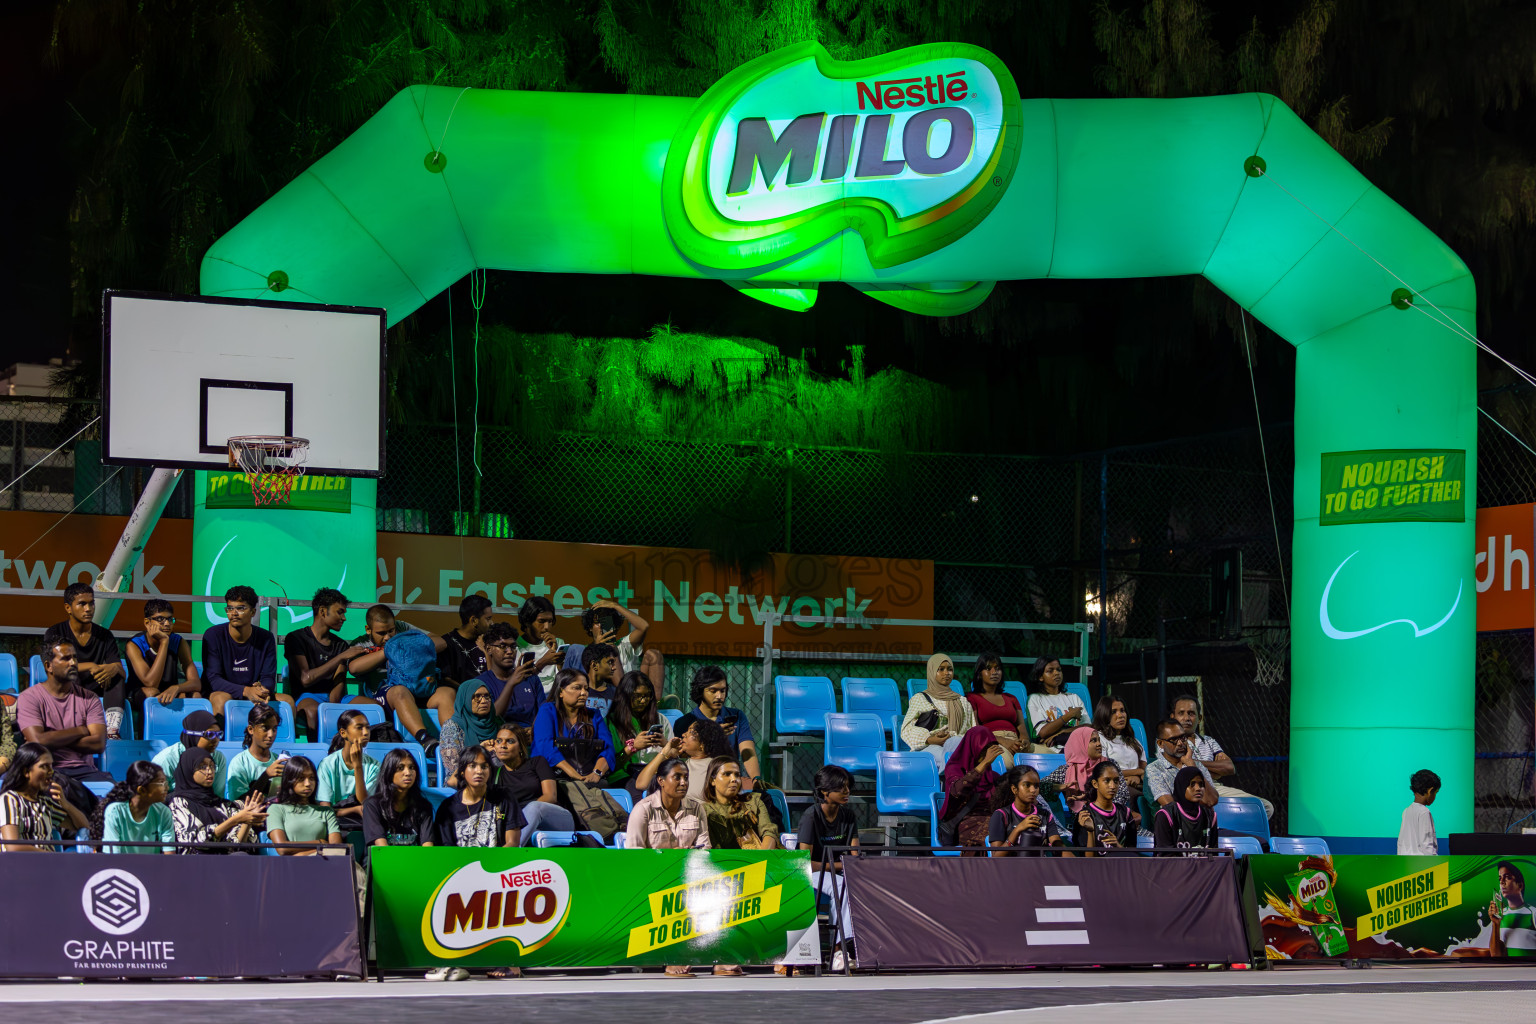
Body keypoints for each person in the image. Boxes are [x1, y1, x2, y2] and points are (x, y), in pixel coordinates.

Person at [17, 639, 111, 813]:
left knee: (119, 799)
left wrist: (50, 737)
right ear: (49, 666)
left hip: (84, 770)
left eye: (75, 658)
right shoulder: (29, 698)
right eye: (66, 658)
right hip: (48, 770)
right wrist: (81, 730)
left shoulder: (90, 698)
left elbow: (98, 744)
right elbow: (38, 742)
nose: (73, 663)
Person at [795, 765, 858, 972]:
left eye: (848, 787)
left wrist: (841, 865)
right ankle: (841, 950)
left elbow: (855, 859)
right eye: (841, 788)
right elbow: (805, 862)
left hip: (839, 873)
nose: (847, 792)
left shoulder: (849, 817)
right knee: (841, 886)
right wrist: (839, 864)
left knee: (855, 884)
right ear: (824, 791)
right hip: (810, 875)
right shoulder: (810, 817)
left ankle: (857, 947)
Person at [43, 582, 126, 738]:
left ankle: (112, 731)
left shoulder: (105, 635)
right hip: (69, 688)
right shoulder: (55, 632)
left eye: (91, 603)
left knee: (116, 676)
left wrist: (113, 668)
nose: (88, 609)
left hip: (98, 686)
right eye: (82, 604)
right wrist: (91, 665)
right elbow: (54, 668)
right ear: (68, 608)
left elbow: (121, 670)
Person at [202, 585, 294, 723]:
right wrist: (246, 691)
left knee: (288, 701)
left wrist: (263, 690)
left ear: (253, 612)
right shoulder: (213, 635)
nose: (233, 613)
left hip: (253, 692)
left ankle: (281, 744)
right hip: (224, 692)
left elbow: (268, 677)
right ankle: (220, 743)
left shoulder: (266, 638)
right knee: (221, 699)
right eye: (230, 608)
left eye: (240, 608)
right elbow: (214, 680)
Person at [1170, 693, 1272, 818]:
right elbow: (1181, 770)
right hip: (1187, 789)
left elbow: (1229, 767)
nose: (1186, 718)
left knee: (1264, 806)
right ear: (1173, 717)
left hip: (1215, 787)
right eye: (1181, 713)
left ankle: (1233, 835)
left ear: (1199, 718)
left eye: (1191, 713)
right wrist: (1214, 770)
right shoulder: (1167, 741)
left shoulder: (1209, 741)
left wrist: (1192, 762)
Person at [284, 588, 366, 740]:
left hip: (336, 698)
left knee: (374, 707)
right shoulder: (295, 638)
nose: (344, 618)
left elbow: (338, 686)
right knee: (314, 711)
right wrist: (340, 658)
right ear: (322, 612)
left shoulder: (340, 645)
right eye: (340, 612)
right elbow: (305, 679)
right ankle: (316, 756)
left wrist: (334, 708)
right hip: (305, 696)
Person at [674, 666, 763, 792]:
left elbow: (747, 751)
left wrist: (756, 779)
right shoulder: (685, 723)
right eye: (713, 691)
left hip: (730, 782)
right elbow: (683, 757)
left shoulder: (737, 716)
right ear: (701, 691)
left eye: (723, 690)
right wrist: (715, 734)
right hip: (698, 783)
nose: (720, 696)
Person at [168, 746, 266, 853]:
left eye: (212, 766)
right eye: (202, 767)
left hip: (226, 864)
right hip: (196, 865)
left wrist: (247, 822)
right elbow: (194, 842)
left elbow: (236, 847)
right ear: (188, 770)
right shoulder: (179, 803)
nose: (209, 771)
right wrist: (235, 820)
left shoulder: (223, 805)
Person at [487, 724, 575, 842]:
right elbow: (454, 780)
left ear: (521, 747)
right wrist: (481, 749)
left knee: (533, 808)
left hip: (555, 819)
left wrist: (521, 815)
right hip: (524, 827)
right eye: (499, 741)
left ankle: (511, 852)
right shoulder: (496, 773)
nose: (503, 745)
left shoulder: (537, 762)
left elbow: (551, 796)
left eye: (510, 741)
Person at [124, 598, 201, 733]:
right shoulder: (134, 645)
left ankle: (193, 742)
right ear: (147, 623)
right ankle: (148, 741)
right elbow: (150, 682)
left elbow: (196, 682)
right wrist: (164, 643)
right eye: (160, 619)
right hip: (139, 694)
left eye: (170, 619)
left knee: (195, 696)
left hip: (169, 691)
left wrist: (176, 688)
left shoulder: (178, 641)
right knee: (151, 693)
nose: (167, 624)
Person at [532, 669, 615, 790]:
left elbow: (608, 748)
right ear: (561, 691)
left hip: (588, 776)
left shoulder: (594, 715)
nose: (584, 693)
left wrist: (597, 773)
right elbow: (545, 747)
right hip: (552, 777)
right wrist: (573, 774)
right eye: (577, 688)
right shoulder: (548, 710)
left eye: (586, 688)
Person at [0, 742, 88, 852]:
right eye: (44, 766)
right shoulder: (9, 800)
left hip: (47, 866)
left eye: (51, 766)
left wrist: (66, 804)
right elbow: (12, 847)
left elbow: (83, 826)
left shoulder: (46, 803)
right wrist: (50, 857)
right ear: (26, 772)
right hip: (19, 867)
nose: (51, 772)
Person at [937, 726, 1006, 851]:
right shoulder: (955, 768)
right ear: (973, 747)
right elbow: (956, 792)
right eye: (984, 750)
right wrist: (983, 764)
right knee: (991, 837)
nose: (988, 756)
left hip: (992, 818)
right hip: (966, 820)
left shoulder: (992, 775)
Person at [900, 652, 974, 769]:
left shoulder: (962, 701)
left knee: (955, 744)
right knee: (948, 757)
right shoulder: (920, 699)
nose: (946, 673)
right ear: (932, 671)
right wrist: (929, 739)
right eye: (941, 669)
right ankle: (953, 781)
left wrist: (951, 737)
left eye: (949, 669)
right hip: (929, 746)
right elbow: (907, 729)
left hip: (957, 745)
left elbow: (971, 729)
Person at [607, 671, 672, 795]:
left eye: (647, 696)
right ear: (625, 696)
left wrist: (665, 745)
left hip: (656, 774)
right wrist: (632, 748)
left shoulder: (661, 719)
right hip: (625, 776)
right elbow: (611, 766)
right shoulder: (612, 722)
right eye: (637, 696)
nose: (643, 701)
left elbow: (674, 756)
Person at [316, 709, 381, 829]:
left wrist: (358, 767)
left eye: (367, 727)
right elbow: (325, 810)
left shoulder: (374, 766)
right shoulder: (327, 764)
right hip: (333, 823)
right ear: (343, 733)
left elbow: (365, 804)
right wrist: (354, 810)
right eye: (359, 727)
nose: (366, 732)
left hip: (363, 822)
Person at [987, 764, 1070, 856]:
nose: (1033, 790)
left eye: (1036, 786)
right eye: (1027, 785)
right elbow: (996, 856)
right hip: (1010, 868)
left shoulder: (1045, 815)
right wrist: (1018, 829)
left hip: (1039, 867)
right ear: (1014, 789)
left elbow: (1057, 844)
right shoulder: (1001, 815)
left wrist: (1077, 863)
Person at [93, 759, 174, 854]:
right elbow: (112, 858)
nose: (167, 788)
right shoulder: (115, 812)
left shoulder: (164, 812)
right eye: (161, 783)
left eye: (166, 783)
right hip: (121, 867)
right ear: (142, 790)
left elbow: (169, 856)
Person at [643, 718, 732, 803]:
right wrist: (666, 751)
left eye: (691, 732)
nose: (683, 734)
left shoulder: (717, 769)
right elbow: (642, 783)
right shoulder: (680, 764)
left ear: (703, 743)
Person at [267, 755, 343, 855]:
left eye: (311, 778)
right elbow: (282, 848)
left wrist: (301, 854)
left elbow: (337, 850)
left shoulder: (326, 811)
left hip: (323, 864)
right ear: (289, 780)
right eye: (301, 778)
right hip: (291, 867)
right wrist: (319, 843)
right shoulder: (276, 809)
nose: (308, 783)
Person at [364, 747, 436, 848]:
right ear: (389, 772)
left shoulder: (423, 807)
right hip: (384, 862)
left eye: (411, 767)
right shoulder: (372, 805)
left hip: (414, 863)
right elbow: (382, 849)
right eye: (400, 768)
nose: (408, 773)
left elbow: (428, 849)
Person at [702, 756, 779, 850]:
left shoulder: (753, 801)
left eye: (737, 775)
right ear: (712, 781)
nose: (734, 779)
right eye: (727, 774)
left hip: (757, 859)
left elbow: (769, 832)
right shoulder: (704, 810)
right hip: (722, 862)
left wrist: (762, 859)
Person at [965, 651, 1027, 764]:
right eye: (988, 669)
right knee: (1007, 763)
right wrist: (1003, 741)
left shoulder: (1011, 698)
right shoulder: (972, 698)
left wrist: (1024, 742)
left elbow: (1021, 727)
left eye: (997, 668)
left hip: (1016, 742)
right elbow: (976, 729)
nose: (994, 672)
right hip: (991, 741)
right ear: (979, 673)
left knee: (1051, 756)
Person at [477, 622, 543, 728]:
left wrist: (534, 730)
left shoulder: (531, 679)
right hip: (500, 738)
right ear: (489, 649)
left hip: (531, 736)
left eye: (513, 646)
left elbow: (543, 714)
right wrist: (511, 683)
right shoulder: (481, 683)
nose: (509, 651)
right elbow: (492, 719)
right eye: (503, 646)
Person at [439, 679, 502, 788]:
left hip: (498, 784)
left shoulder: (498, 723)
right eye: (477, 697)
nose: (483, 701)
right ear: (465, 699)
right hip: (462, 787)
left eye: (487, 696)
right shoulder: (452, 727)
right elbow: (452, 773)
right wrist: (479, 752)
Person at [151, 709, 229, 796]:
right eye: (210, 735)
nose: (216, 740)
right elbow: (155, 802)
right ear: (193, 735)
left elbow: (217, 795)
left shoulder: (218, 758)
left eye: (219, 734)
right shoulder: (166, 760)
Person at [1146, 718, 1218, 810]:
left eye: (1183, 738)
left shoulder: (1196, 765)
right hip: (1176, 823)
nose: (1180, 743)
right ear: (1160, 743)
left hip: (1202, 821)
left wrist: (1192, 766)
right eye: (1173, 739)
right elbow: (1171, 808)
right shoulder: (1154, 769)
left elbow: (1211, 800)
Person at [225, 702, 287, 800]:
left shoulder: (278, 761)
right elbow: (237, 803)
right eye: (265, 728)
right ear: (251, 729)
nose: (271, 734)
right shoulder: (239, 763)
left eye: (274, 729)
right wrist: (266, 775)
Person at [1071, 761, 1135, 855]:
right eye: (1107, 781)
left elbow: (1133, 856)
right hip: (1096, 869)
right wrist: (1090, 831)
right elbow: (1086, 861)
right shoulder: (1085, 815)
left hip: (1122, 867)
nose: (1112, 786)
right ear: (1095, 784)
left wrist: (1118, 847)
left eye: (1116, 781)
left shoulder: (1126, 813)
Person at [1152, 765, 1218, 855]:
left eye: (1201, 784)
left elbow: (1214, 856)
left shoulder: (1210, 816)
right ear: (1182, 786)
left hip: (1203, 868)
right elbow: (1165, 857)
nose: (1198, 788)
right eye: (1192, 784)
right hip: (1172, 868)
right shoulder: (1165, 815)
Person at [1093, 695, 1145, 805]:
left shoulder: (1135, 742)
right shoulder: (1099, 739)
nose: (1120, 715)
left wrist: (1137, 776)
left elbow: (1145, 770)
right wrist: (1137, 772)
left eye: (1122, 711)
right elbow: (1103, 772)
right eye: (1114, 712)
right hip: (1113, 787)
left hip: (1137, 785)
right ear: (1104, 715)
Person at [1025, 656, 1084, 750]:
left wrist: (1061, 732)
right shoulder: (1035, 699)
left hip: (1077, 745)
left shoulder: (1073, 697)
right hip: (1051, 748)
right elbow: (1043, 732)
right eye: (1050, 671)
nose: (1056, 673)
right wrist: (1069, 715)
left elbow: (1088, 727)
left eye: (1058, 670)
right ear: (1040, 677)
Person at [581, 598, 651, 676]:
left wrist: (615, 606)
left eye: (606, 623)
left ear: (614, 626)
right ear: (590, 627)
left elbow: (644, 626)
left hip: (625, 687)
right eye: (597, 623)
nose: (601, 626)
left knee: (654, 654)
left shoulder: (623, 645)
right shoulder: (584, 651)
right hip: (603, 687)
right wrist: (597, 647)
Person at [344, 604, 397, 703]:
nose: (387, 637)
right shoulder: (360, 643)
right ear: (368, 629)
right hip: (375, 696)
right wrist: (388, 651)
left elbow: (432, 641)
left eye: (391, 631)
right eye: (381, 633)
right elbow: (353, 668)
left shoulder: (401, 628)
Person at [440, 594, 494, 687]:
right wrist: (469, 693)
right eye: (488, 619)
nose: (492, 623)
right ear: (474, 620)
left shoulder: (489, 642)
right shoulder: (447, 644)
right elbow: (445, 679)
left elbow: (495, 679)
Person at [516, 596, 567, 696]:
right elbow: (518, 682)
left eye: (550, 621)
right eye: (541, 621)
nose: (547, 627)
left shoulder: (558, 643)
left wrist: (558, 660)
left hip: (554, 698)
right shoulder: (516, 646)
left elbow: (565, 681)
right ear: (527, 622)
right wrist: (543, 662)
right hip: (528, 697)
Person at [1489, 861, 1535, 957]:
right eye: (1500, 879)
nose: (1502, 882)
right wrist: (1495, 924)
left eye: (1508, 877)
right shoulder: (1500, 915)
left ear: (1520, 885)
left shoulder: (1533, 913)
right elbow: (1495, 955)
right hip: (1508, 971)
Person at [1060, 726, 1106, 814]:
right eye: (1093, 740)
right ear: (1080, 744)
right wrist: (1058, 787)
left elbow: (1122, 794)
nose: (1099, 744)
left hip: (1108, 816)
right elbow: (1041, 786)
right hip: (1081, 820)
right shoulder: (1066, 770)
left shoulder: (1109, 765)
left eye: (1099, 740)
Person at [1398, 768, 1440, 856]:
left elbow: (1401, 842)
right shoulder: (1424, 812)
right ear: (1429, 791)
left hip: (1406, 862)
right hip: (1423, 865)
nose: (1435, 796)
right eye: (1435, 792)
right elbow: (1427, 844)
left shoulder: (1406, 811)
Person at [580, 643, 620, 717]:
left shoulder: (615, 693)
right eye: (610, 662)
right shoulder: (577, 691)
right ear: (595, 665)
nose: (614, 667)